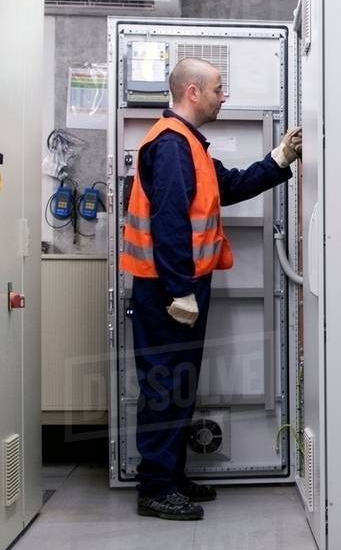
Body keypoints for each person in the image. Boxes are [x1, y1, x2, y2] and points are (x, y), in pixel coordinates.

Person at [120, 57, 302, 521]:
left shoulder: (190, 145)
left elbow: (229, 186)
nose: (225, 97)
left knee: (179, 384)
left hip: (179, 287)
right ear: (193, 92)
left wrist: (279, 159)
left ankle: (170, 475)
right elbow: (169, 223)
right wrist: (180, 290)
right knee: (164, 386)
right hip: (166, 290)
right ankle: (155, 487)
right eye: (219, 89)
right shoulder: (171, 145)